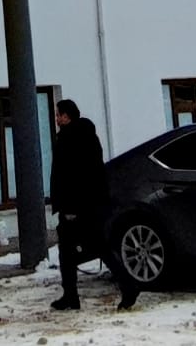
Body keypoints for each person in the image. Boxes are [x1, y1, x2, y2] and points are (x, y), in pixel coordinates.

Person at [48, 99, 136, 311]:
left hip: (78, 207)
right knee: (79, 250)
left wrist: (69, 208)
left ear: (67, 116)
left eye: (58, 114)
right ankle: (71, 295)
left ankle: (128, 286)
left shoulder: (69, 139)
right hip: (94, 204)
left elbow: (71, 177)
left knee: (95, 248)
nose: (56, 118)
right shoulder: (88, 136)